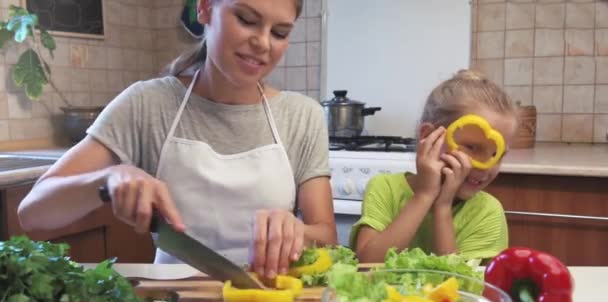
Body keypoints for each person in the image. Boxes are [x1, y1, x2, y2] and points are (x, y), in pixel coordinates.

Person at [17, 0, 337, 280]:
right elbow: (33, 212)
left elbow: (327, 237)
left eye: (279, 32)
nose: (263, 43)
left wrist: (299, 233)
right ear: (205, 8)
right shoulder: (147, 105)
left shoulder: (302, 116)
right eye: (247, 19)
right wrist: (108, 178)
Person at [351, 70, 518, 263]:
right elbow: (368, 265)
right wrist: (424, 195)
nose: (487, 168)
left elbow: (460, 286)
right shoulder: (384, 188)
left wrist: (442, 207)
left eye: (496, 155)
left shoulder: (487, 211)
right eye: (472, 147)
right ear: (429, 136)